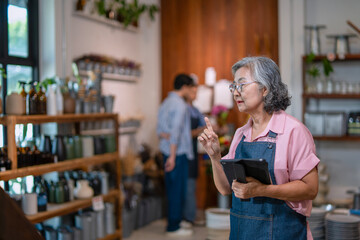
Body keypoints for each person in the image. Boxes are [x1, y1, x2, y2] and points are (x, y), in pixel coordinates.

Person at [198, 56, 319, 240]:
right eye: (234, 87)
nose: (235, 93)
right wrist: (215, 156)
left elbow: (310, 189)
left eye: (242, 85)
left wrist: (261, 190)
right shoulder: (241, 134)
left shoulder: (294, 131)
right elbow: (225, 189)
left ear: (265, 88)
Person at [157, 73, 195, 236]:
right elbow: (175, 132)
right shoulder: (180, 105)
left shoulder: (165, 102)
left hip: (167, 151)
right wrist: (173, 156)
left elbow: (160, 131)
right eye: (191, 88)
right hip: (176, 154)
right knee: (177, 190)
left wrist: (169, 142)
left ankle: (176, 221)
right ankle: (173, 227)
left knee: (173, 189)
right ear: (185, 87)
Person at [182, 75, 206, 227]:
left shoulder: (196, 110)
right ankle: (187, 218)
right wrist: (201, 130)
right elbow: (184, 134)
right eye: (192, 90)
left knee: (192, 184)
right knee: (187, 185)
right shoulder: (182, 109)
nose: (195, 92)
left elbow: (204, 125)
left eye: (196, 90)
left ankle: (190, 215)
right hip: (184, 152)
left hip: (193, 152)